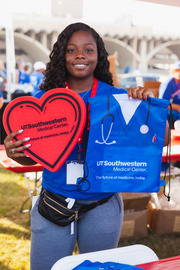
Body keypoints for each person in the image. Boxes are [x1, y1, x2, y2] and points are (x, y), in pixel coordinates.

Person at [4, 22, 169, 270]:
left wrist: (148, 106)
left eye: (88, 50)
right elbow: (33, 157)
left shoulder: (118, 98)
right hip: (55, 203)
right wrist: (15, 153)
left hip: (101, 204)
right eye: (72, 50)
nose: (80, 55)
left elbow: (163, 139)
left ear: (98, 56)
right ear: (62, 56)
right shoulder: (43, 102)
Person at [159, 61, 180, 129]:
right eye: (178, 70)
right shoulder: (168, 83)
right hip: (170, 112)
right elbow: (162, 103)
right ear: (173, 71)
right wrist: (177, 107)